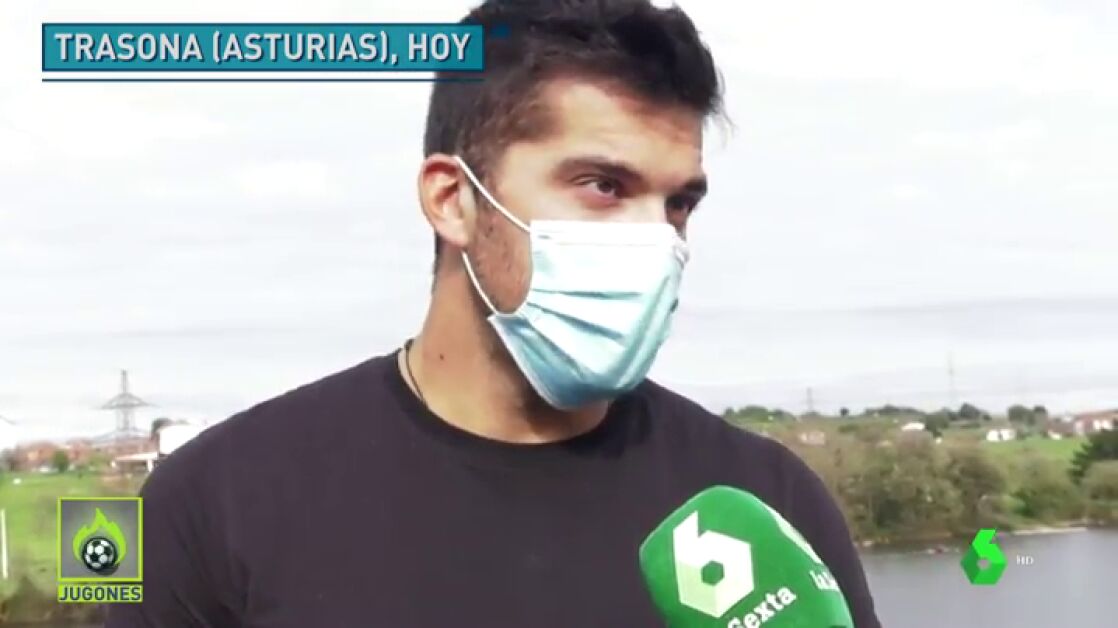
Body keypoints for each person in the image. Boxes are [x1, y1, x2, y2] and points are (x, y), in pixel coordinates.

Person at [106, 1, 881, 626]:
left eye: (678, 203)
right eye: (603, 186)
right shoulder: (206, 502)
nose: (657, 240)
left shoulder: (768, 502)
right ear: (452, 200)